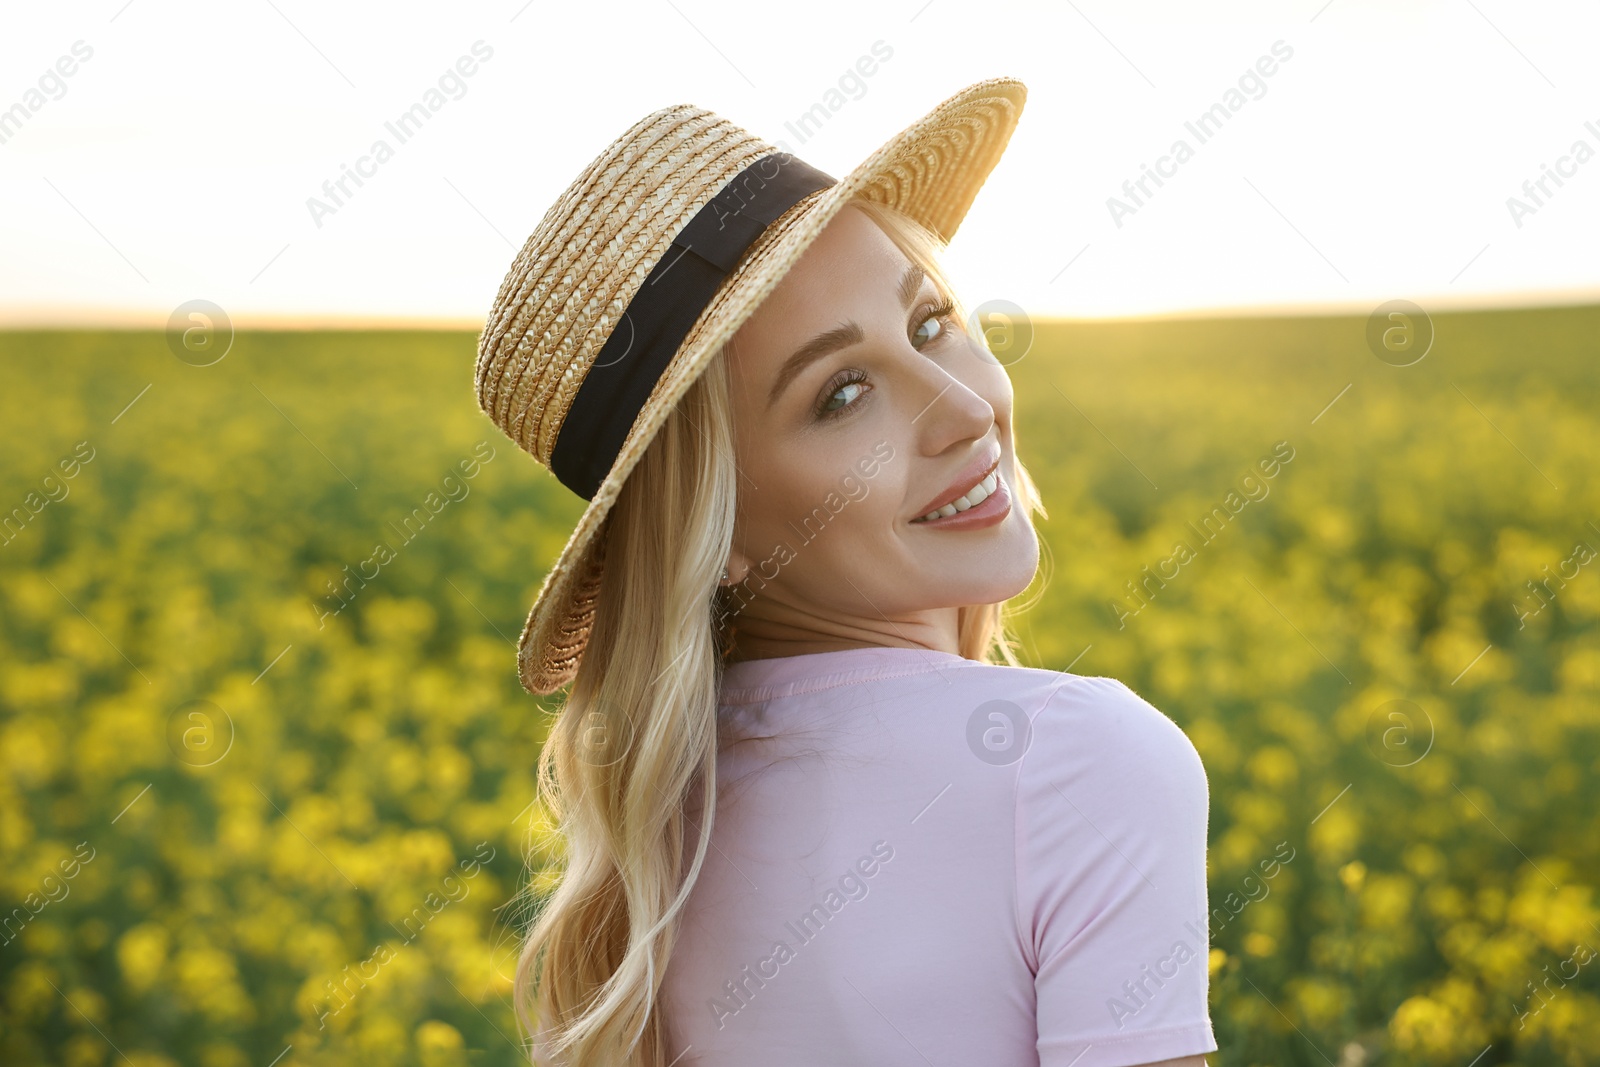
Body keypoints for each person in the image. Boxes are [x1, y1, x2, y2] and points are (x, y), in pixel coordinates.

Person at [473, 77, 1218, 1067]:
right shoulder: (1077, 764)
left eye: (929, 324)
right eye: (844, 392)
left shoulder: (655, 840)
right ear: (717, 524)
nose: (961, 406)